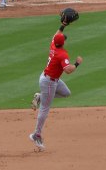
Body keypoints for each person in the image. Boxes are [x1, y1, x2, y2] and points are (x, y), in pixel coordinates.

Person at [29, 22, 83, 151]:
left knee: (66, 93)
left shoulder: (53, 45)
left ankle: (40, 97)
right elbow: (68, 70)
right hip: (49, 82)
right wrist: (77, 63)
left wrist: (63, 25)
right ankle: (36, 134)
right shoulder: (62, 54)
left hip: (50, 79)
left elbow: (56, 35)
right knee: (45, 109)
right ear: (63, 43)